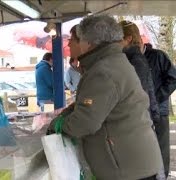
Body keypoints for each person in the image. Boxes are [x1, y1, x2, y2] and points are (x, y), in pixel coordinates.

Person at [48, 15, 163, 180]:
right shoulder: (112, 62)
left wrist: (58, 125)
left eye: (77, 39)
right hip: (135, 163)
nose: (73, 44)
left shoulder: (103, 71)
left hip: (127, 169)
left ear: (89, 42)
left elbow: (84, 123)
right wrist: (66, 113)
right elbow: (93, 102)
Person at [143, 40, 176, 178]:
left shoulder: (158, 56)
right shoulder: (129, 59)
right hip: (141, 111)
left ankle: (163, 176)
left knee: (161, 147)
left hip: (159, 110)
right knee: (145, 146)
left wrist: (156, 98)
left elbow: (173, 78)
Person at [119, 20, 160, 124]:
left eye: (118, 39)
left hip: (137, 120)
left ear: (128, 38)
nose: (115, 43)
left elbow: (137, 93)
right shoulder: (134, 58)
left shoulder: (135, 60)